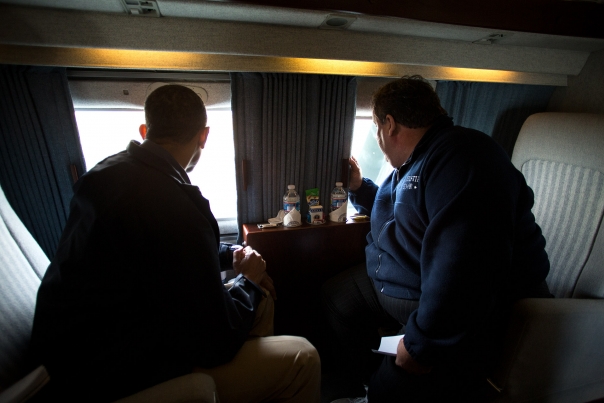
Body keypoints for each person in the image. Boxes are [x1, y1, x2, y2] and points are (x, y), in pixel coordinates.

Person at [31, 84, 320, 402]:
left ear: (144, 130)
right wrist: (248, 280)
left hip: (76, 347)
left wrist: (232, 255)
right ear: (204, 136)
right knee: (303, 356)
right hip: (107, 374)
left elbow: (168, 253)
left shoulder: (105, 175)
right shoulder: (176, 205)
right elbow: (213, 341)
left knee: (259, 299)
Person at [322, 76, 551, 402]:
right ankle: (363, 383)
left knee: (392, 387)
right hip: (395, 280)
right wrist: (359, 187)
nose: (378, 138)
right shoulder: (413, 162)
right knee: (337, 299)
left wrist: (420, 346)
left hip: (435, 299)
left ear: (389, 124)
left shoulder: (462, 157)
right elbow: (398, 212)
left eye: (376, 127)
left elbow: (465, 266)